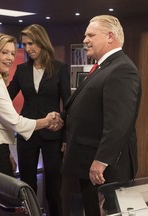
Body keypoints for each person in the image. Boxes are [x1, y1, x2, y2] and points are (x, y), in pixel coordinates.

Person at [0, 32, 64, 216]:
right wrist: (47, 121)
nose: (10, 58)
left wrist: (7, 153)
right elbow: (14, 121)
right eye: (4, 52)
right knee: (0, 207)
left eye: (12, 53)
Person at [61, 15, 142, 216]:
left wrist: (101, 161)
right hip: (89, 163)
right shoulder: (104, 66)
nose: (85, 40)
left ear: (110, 37)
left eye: (91, 35)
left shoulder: (122, 69)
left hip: (104, 169)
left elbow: (119, 122)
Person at [7, 24, 71, 216]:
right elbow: (6, 96)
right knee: (27, 185)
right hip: (27, 133)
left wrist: (66, 137)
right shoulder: (21, 70)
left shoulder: (60, 68)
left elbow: (68, 104)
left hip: (53, 135)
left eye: (31, 43)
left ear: (42, 42)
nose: (27, 49)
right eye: (24, 44)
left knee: (53, 186)